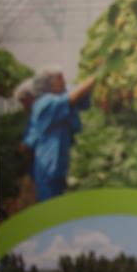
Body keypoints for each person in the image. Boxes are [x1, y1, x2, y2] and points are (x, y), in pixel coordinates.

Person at [23, 68, 95, 200]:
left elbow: (84, 104)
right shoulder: (45, 102)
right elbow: (70, 99)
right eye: (60, 79)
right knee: (50, 201)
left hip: (59, 162)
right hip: (49, 164)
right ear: (49, 84)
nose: (64, 82)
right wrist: (95, 76)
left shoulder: (58, 97)